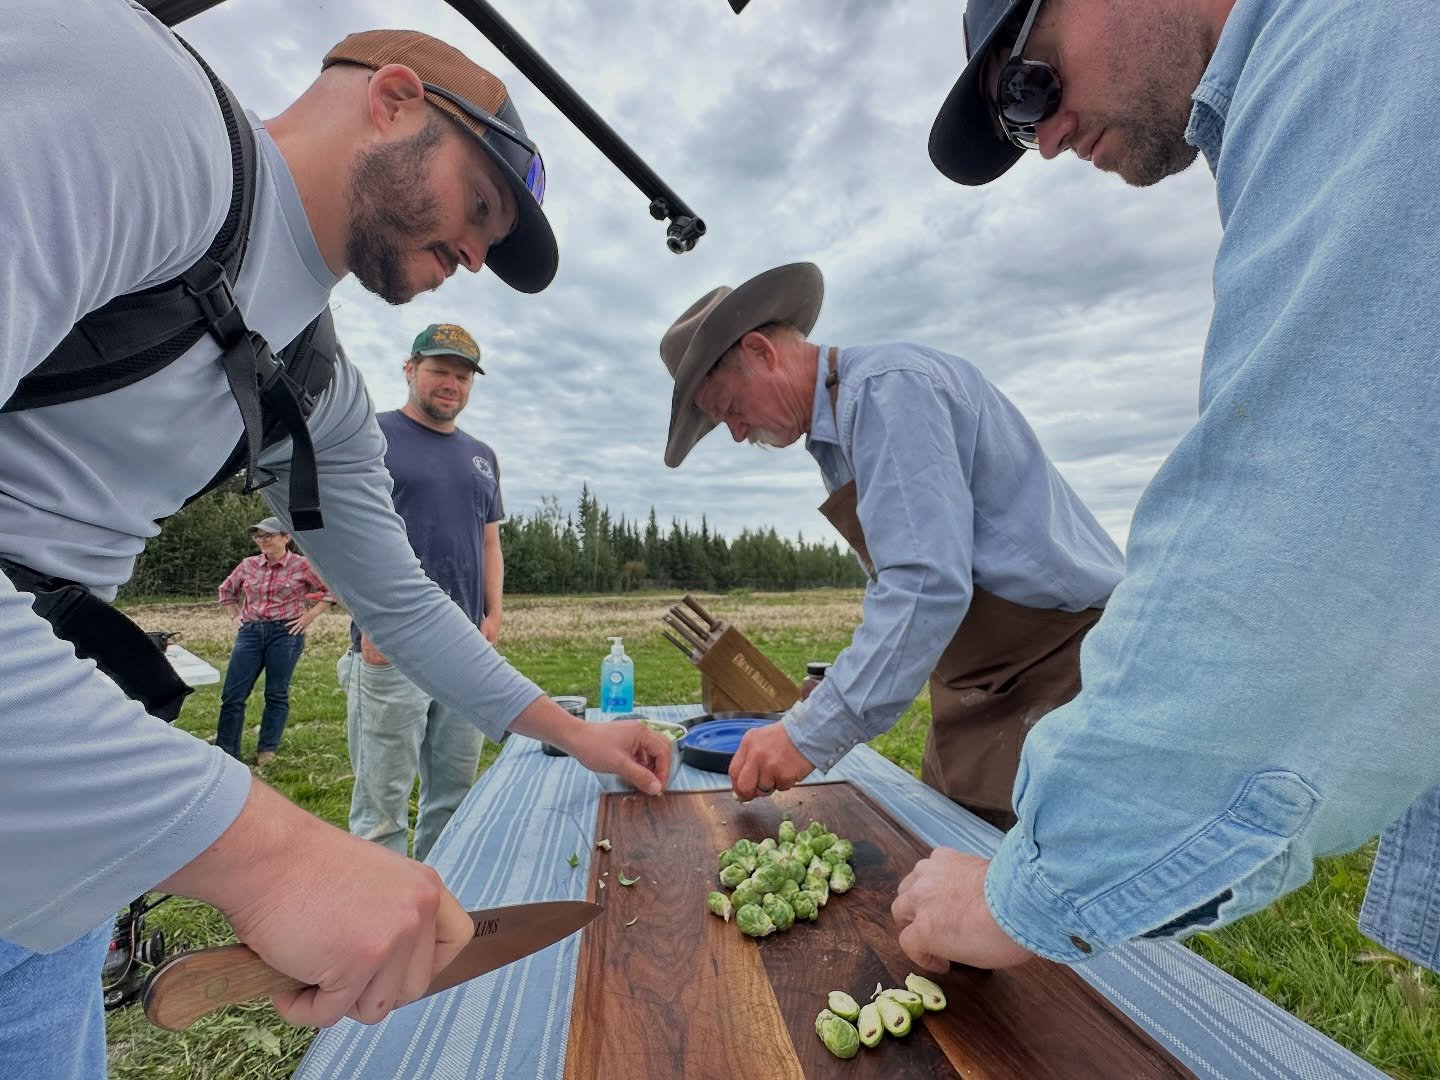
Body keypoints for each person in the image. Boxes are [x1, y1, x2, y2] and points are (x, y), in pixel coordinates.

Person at [0, 6, 672, 1076]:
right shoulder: (138, 102)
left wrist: (573, 732)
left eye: (490, 243)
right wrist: (265, 855)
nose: (473, 252)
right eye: (480, 204)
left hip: (38, 809)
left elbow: (402, 606)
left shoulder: (312, 389)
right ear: (393, 96)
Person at [891, 0, 1440, 975]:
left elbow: (1297, 547)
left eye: (1031, 81)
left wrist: (1030, 891)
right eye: (1021, 121)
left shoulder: (1351, 43)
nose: (1046, 137)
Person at [660, 262, 1124, 828]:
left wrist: (806, 734)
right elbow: (900, 579)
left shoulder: (887, 392)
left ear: (761, 351)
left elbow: (925, 585)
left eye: (730, 408)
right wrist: (838, 679)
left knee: (1020, 887)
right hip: (975, 682)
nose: (735, 432)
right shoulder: (838, 433)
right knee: (942, 852)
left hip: (1053, 670)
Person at [342, 323, 508, 859]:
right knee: (382, 801)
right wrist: (370, 621)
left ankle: (439, 901)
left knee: (456, 794)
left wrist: (493, 616)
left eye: (463, 376)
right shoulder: (372, 436)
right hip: (393, 646)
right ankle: (382, 924)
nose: (451, 384)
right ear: (410, 369)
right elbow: (339, 535)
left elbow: (489, 543)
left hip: (465, 647)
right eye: (440, 370)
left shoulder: (482, 455)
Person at [215, 516, 335, 767]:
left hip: (286, 634)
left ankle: (267, 751)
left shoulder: (302, 566)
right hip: (250, 633)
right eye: (259, 536)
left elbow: (330, 590)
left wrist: (310, 616)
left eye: (268, 535)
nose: (262, 540)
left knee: (276, 693)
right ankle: (227, 752)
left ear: (286, 537)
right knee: (233, 695)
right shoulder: (248, 565)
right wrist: (234, 616)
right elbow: (226, 591)